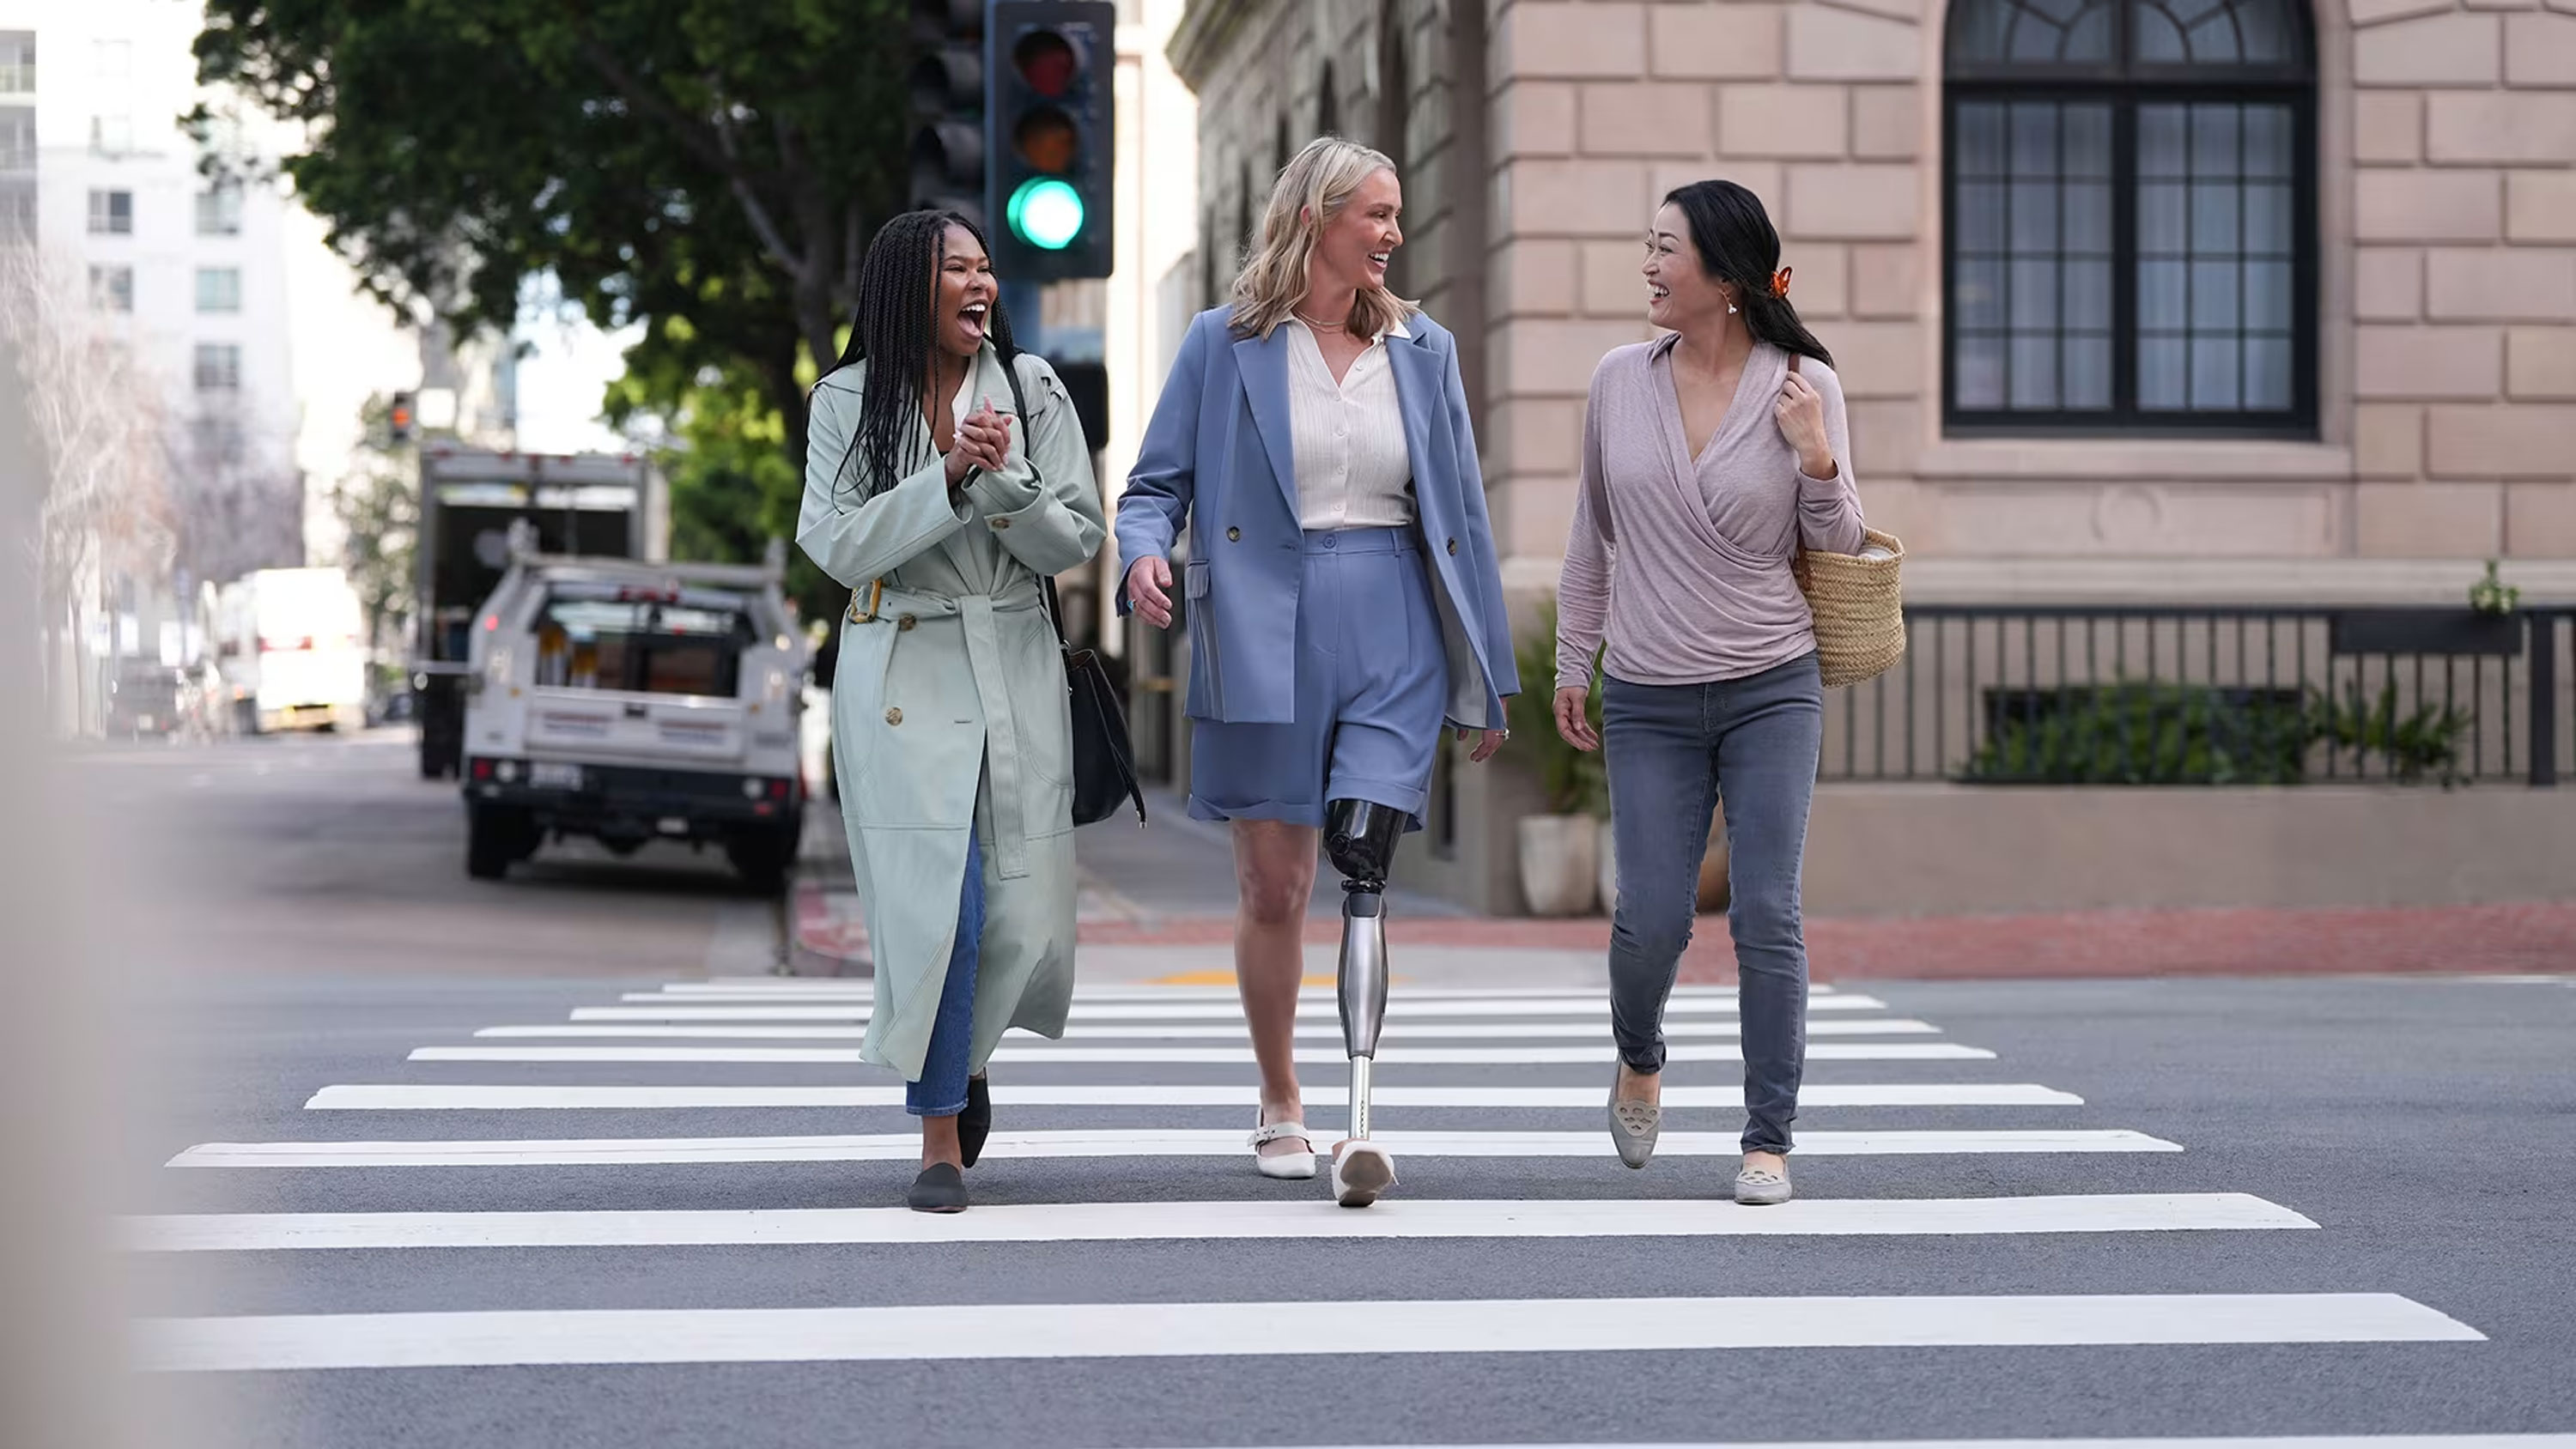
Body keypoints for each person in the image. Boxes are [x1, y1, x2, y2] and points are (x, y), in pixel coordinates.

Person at [1117, 136, 1516, 1207]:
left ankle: (1360, 1117)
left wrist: (1489, 672)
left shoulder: (1424, 350)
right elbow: (1154, 485)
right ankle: (1280, 1095)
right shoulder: (1224, 344)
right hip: (1261, 620)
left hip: (1393, 620)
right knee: (1274, 883)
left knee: (1364, 864)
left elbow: (1465, 520)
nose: (1393, 233)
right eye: (1374, 214)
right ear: (1314, 219)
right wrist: (1144, 552)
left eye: (1396, 215)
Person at [1552, 179, 1865, 1207]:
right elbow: (1591, 534)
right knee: (1648, 918)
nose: (1647, 266)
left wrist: (1816, 455)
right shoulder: (1616, 380)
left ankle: (1768, 1137)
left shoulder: (1802, 383)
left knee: (1768, 911)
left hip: (1771, 684)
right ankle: (1639, 1054)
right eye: (1647, 246)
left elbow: (1838, 543)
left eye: (1664, 250)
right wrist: (1573, 661)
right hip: (1647, 691)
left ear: (1725, 277)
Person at [797, 209, 1105, 1214]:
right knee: (942, 908)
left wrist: (1000, 478)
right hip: (899, 668)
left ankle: (961, 1057)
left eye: (986, 267)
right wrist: (947, 474)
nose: (981, 283)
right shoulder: (845, 402)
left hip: (1010, 662)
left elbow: (1074, 541)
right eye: (956, 268)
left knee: (1023, 915)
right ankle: (939, 1134)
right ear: (906, 289)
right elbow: (837, 547)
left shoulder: (1033, 390)